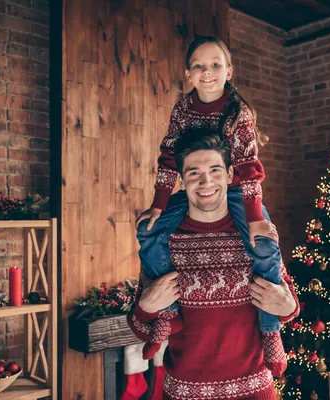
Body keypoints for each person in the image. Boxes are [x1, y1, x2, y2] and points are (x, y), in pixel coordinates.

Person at [135, 35, 284, 365]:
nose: (207, 72)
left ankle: (270, 329)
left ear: (228, 71)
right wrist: (160, 203)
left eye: (215, 65)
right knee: (147, 230)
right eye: (199, 66)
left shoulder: (237, 113)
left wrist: (254, 215)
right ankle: (168, 314)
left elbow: (247, 166)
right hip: (192, 188)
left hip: (237, 190)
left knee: (264, 244)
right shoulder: (182, 110)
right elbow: (169, 158)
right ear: (188, 74)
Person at [127, 129, 299, 399]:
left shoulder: (254, 231)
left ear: (230, 175)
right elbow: (138, 327)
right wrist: (146, 306)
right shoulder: (163, 238)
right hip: (184, 393)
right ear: (182, 180)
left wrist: (288, 307)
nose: (206, 182)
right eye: (194, 172)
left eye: (215, 170)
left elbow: (288, 302)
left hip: (255, 392)